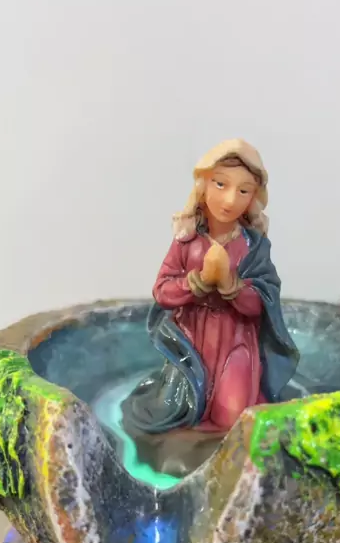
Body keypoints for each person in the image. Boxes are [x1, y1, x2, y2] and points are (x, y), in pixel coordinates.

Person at [126, 139, 300, 433]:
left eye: (243, 190)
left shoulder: (253, 247)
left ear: (253, 197)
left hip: (236, 340)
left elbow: (264, 301)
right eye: (221, 184)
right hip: (192, 342)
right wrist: (198, 282)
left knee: (231, 418)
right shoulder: (187, 240)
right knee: (176, 411)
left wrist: (232, 286)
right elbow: (162, 291)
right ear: (203, 184)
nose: (230, 200)